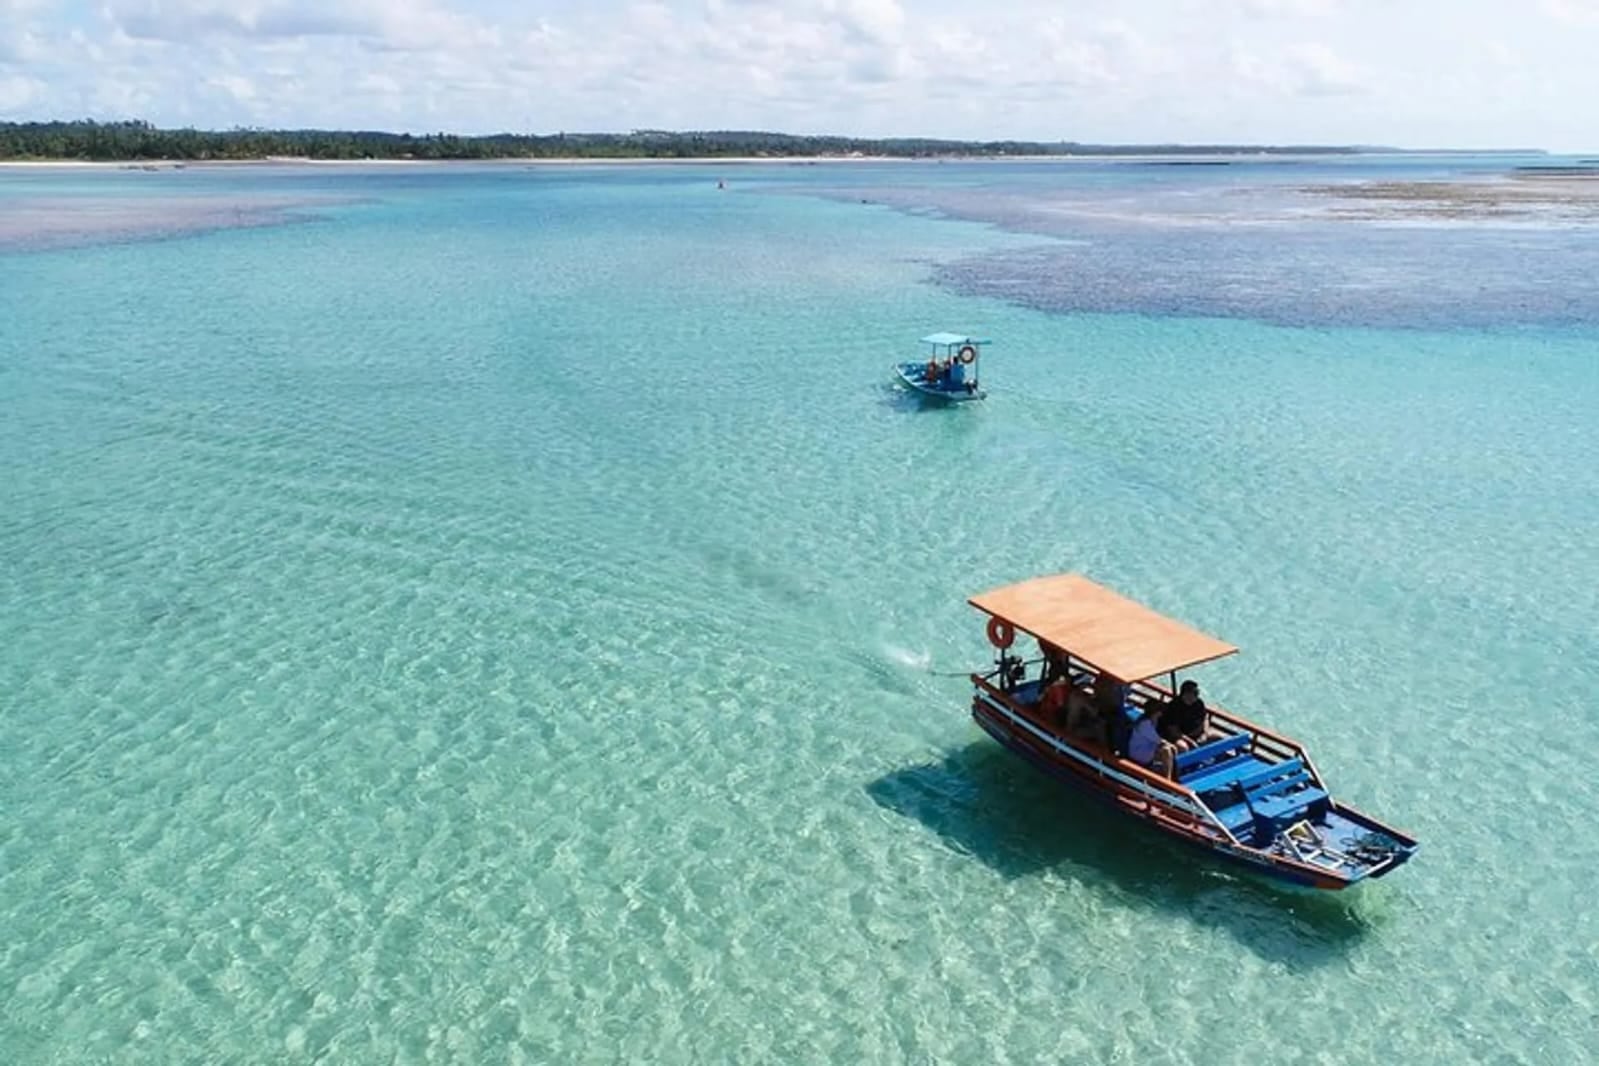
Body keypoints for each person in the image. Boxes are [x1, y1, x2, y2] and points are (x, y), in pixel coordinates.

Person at [1126, 702, 1177, 778]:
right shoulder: (1145, 724)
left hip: (1146, 747)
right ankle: (1168, 779)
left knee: (1167, 751)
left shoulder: (1151, 721)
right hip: (1138, 751)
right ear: (1156, 712)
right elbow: (1157, 740)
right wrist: (1171, 745)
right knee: (1166, 751)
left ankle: (1169, 772)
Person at [1171, 680, 1210, 747]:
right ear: (1186, 693)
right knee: (1183, 746)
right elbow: (1173, 731)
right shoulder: (1174, 706)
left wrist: (1205, 733)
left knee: (1219, 738)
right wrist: (1190, 741)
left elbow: (1205, 718)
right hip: (1183, 737)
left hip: (1200, 734)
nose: (1197, 695)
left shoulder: (1199, 703)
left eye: (1198, 692)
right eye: (1195, 693)